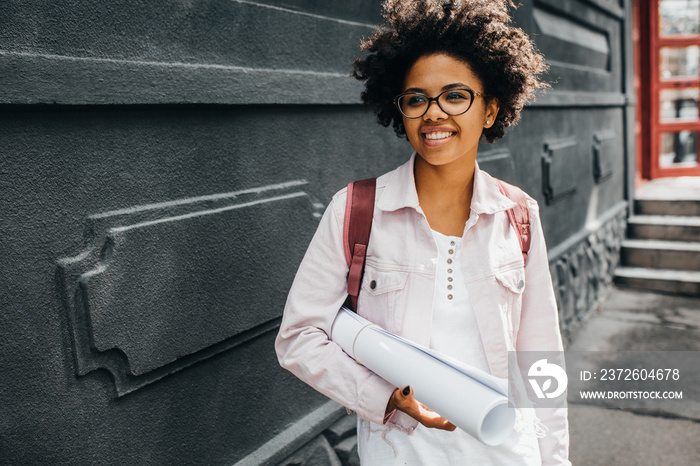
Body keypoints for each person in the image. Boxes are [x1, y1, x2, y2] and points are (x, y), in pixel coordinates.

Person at [275, 1, 570, 464]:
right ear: (402, 112)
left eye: (455, 96)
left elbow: (541, 360)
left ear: (490, 109)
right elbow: (299, 337)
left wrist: (555, 459)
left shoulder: (518, 214)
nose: (433, 113)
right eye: (417, 99)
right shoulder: (356, 210)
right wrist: (385, 398)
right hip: (402, 453)